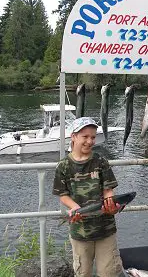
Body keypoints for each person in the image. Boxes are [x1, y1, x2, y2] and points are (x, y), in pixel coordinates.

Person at [52, 117, 123, 277]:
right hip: (80, 231)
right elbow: (63, 195)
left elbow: (108, 190)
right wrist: (75, 207)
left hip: (106, 229)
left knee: (109, 272)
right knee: (82, 272)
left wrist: (111, 205)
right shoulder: (63, 166)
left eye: (93, 137)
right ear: (74, 137)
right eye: (85, 136)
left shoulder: (101, 161)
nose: (90, 141)